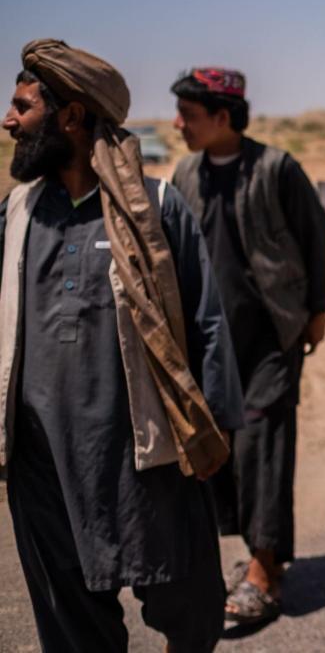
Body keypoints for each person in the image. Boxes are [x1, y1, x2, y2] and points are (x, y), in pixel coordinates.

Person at [1, 39, 243, 651]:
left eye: (22, 108)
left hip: (147, 460)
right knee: (72, 626)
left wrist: (213, 440)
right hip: (44, 466)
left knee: (190, 608)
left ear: (72, 117)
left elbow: (208, 323)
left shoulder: (158, 208)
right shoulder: (17, 213)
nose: (9, 121)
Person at [170, 67, 325, 626]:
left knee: (262, 448)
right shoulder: (185, 173)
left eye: (188, 116)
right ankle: (254, 553)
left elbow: (317, 237)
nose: (177, 125)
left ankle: (264, 573)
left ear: (222, 117)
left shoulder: (275, 167)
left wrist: (317, 311)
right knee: (223, 455)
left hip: (270, 338)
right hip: (211, 342)